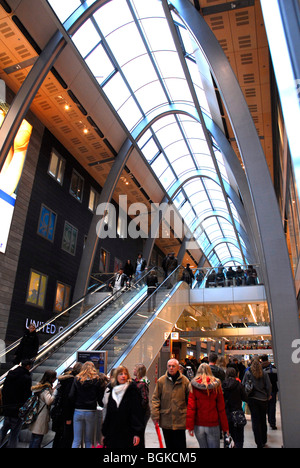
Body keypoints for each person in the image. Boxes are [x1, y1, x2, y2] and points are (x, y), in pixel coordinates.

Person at [186, 363, 229, 448]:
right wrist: (225, 427)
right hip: (213, 424)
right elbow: (221, 409)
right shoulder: (216, 385)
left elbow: (191, 408)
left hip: (198, 425)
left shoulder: (193, 385)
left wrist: (190, 426)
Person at [101, 365, 144, 448]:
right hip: (113, 432)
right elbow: (109, 414)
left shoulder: (132, 390)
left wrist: (137, 433)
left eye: (125, 374)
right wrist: (104, 433)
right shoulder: (112, 390)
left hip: (127, 432)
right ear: (116, 376)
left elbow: (137, 413)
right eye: (120, 374)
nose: (123, 376)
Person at [151, 358, 190, 449]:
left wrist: (190, 415)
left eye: (173, 366)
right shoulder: (161, 381)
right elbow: (155, 398)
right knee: (169, 444)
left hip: (180, 419)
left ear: (178, 368)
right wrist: (155, 414)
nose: (171, 368)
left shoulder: (185, 381)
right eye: (169, 366)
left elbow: (190, 399)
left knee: (180, 444)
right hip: (166, 419)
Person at [68, 361, 107, 448]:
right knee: (88, 440)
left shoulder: (77, 379)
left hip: (78, 410)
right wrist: (101, 404)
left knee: (76, 440)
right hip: (91, 411)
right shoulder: (96, 380)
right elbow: (99, 396)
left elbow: (71, 395)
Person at [0, 359, 32, 448]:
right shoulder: (26, 378)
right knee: (14, 433)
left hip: (7, 408)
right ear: (28, 366)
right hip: (18, 410)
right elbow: (27, 395)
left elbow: (4, 390)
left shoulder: (10, 375)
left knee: (3, 430)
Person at [51, 362, 83, 448]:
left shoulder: (65, 380)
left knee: (59, 435)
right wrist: (68, 417)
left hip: (60, 411)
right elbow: (68, 400)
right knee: (67, 437)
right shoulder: (72, 382)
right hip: (66, 413)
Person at [242, 358, 272, 448]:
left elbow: (243, 385)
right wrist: (268, 395)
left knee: (255, 421)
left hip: (252, 399)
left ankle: (258, 442)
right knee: (263, 420)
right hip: (263, 399)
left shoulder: (248, 373)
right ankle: (264, 440)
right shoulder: (264, 373)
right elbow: (269, 386)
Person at [29, 369, 57, 448]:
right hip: (41, 415)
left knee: (34, 437)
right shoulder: (46, 389)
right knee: (38, 438)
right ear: (50, 378)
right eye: (54, 377)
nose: (55, 379)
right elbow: (48, 401)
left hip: (36, 413)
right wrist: (54, 393)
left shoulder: (39, 386)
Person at [222, 367, 248, 448]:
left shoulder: (223, 385)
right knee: (239, 437)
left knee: (227, 436)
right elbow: (245, 398)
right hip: (237, 413)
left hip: (226, 414)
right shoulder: (239, 385)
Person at [133, 363, 151, 448]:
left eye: (135, 369)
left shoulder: (142, 384)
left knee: (139, 433)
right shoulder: (137, 382)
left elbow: (145, 399)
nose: (133, 370)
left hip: (142, 413)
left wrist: (138, 409)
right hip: (140, 412)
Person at [261, 355, 278, 430]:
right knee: (272, 406)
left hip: (263, 391)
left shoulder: (260, 369)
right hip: (273, 390)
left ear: (261, 360)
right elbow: (276, 379)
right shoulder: (273, 368)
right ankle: (272, 423)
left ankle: (266, 421)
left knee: (265, 407)